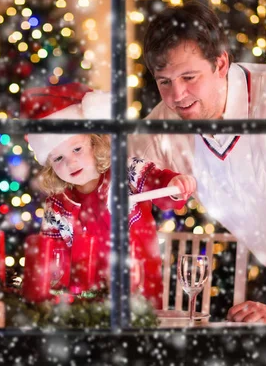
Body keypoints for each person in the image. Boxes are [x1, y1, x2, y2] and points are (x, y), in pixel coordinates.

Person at [129, 0, 266, 324]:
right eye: (164, 81)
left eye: (189, 77)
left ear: (221, 64)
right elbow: (118, 171)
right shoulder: (170, 120)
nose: (178, 95)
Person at [21, 82, 196, 309]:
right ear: (49, 166)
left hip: (138, 290)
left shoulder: (127, 172)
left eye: (77, 149)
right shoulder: (57, 206)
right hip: (85, 301)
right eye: (58, 158)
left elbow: (160, 187)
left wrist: (174, 184)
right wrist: (55, 297)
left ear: (95, 143)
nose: (71, 162)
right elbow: (53, 257)